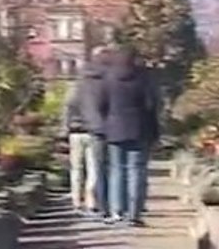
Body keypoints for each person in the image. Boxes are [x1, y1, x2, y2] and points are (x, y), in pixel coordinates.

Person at [99, 46, 159, 227]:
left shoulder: (108, 78)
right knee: (136, 170)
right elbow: (151, 105)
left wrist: (107, 121)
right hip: (139, 128)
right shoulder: (143, 78)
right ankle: (134, 213)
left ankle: (117, 211)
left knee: (116, 170)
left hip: (115, 129)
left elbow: (101, 104)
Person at [63, 47, 109, 216]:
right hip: (94, 130)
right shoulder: (101, 83)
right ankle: (91, 200)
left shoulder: (76, 85)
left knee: (76, 167)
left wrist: (65, 127)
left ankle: (76, 200)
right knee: (94, 167)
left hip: (75, 131)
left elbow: (68, 106)